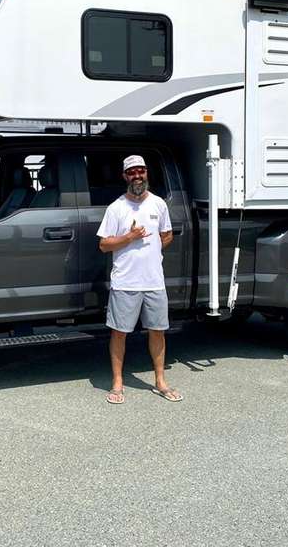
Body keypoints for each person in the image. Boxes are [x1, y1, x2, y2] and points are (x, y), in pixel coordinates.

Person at [96, 155, 182, 404]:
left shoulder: (158, 204)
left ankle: (160, 381)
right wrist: (130, 238)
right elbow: (104, 245)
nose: (137, 176)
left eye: (141, 171)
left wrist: (153, 251)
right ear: (125, 176)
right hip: (126, 282)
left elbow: (167, 234)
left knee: (158, 331)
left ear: (146, 173)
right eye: (132, 172)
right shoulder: (116, 208)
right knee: (119, 333)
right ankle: (117, 383)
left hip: (154, 281)